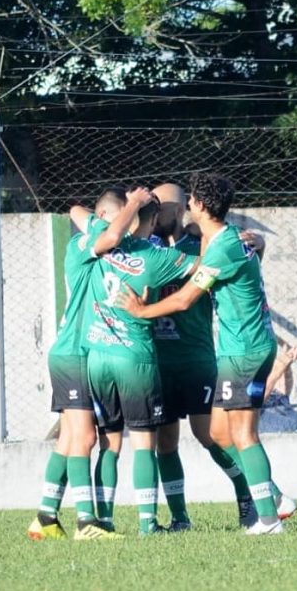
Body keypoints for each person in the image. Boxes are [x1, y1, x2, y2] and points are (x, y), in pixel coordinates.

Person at [117, 172, 288, 535]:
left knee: (237, 435)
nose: (156, 210)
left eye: (167, 204)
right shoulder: (218, 240)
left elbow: (184, 298)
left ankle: (267, 517)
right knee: (223, 433)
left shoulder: (214, 246)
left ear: (190, 207)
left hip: (233, 352)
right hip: (226, 350)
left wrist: (140, 311)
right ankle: (272, 498)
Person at [148, 183, 267, 531]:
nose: (157, 213)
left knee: (212, 436)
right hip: (159, 360)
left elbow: (244, 260)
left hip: (197, 358)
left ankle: (249, 495)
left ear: (182, 208)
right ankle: (180, 518)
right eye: (153, 206)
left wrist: (261, 244)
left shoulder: (203, 244)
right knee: (165, 443)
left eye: (163, 206)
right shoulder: (146, 247)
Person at [85, 186, 200, 536]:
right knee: (145, 444)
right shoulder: (157, 259)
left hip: (97, 355)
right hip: (135, 360)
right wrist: (206, 232)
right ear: (152, 220)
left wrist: (131, 204)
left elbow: (78, 212)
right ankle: (148, 522)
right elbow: (208, 264)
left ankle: (103, 520)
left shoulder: (105, 242)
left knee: (109, 443)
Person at [27, 186, 129, 541]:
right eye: (117, 221)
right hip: (72, 354)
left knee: (70, 438)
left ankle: (45, 516)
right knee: (85, 437)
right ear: (101, 220)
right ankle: (86, 522)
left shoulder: (107, 251)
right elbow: (81, 213)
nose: (122, 231)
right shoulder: (83, 245)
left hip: (82, 354)